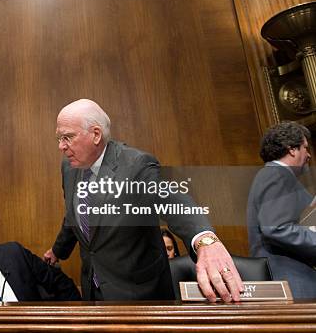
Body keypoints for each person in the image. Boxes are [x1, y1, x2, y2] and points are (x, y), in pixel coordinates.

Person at [43, 99, 243, 302]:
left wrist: (205, 240)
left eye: (67, 137)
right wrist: (58, 250)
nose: (61, 146)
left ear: (96, 134)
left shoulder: (135, 165)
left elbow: (172, 201)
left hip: (140, 296)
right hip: (94, 292)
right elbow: (76, 213)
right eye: (59, 138)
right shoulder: (69, 168)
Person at [247, 121, 316, 298]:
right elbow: (276, 227)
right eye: (305, 148)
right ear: (292, 149)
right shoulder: (276, 174)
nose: (308, 155)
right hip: (292, 280)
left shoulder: (280, 177)